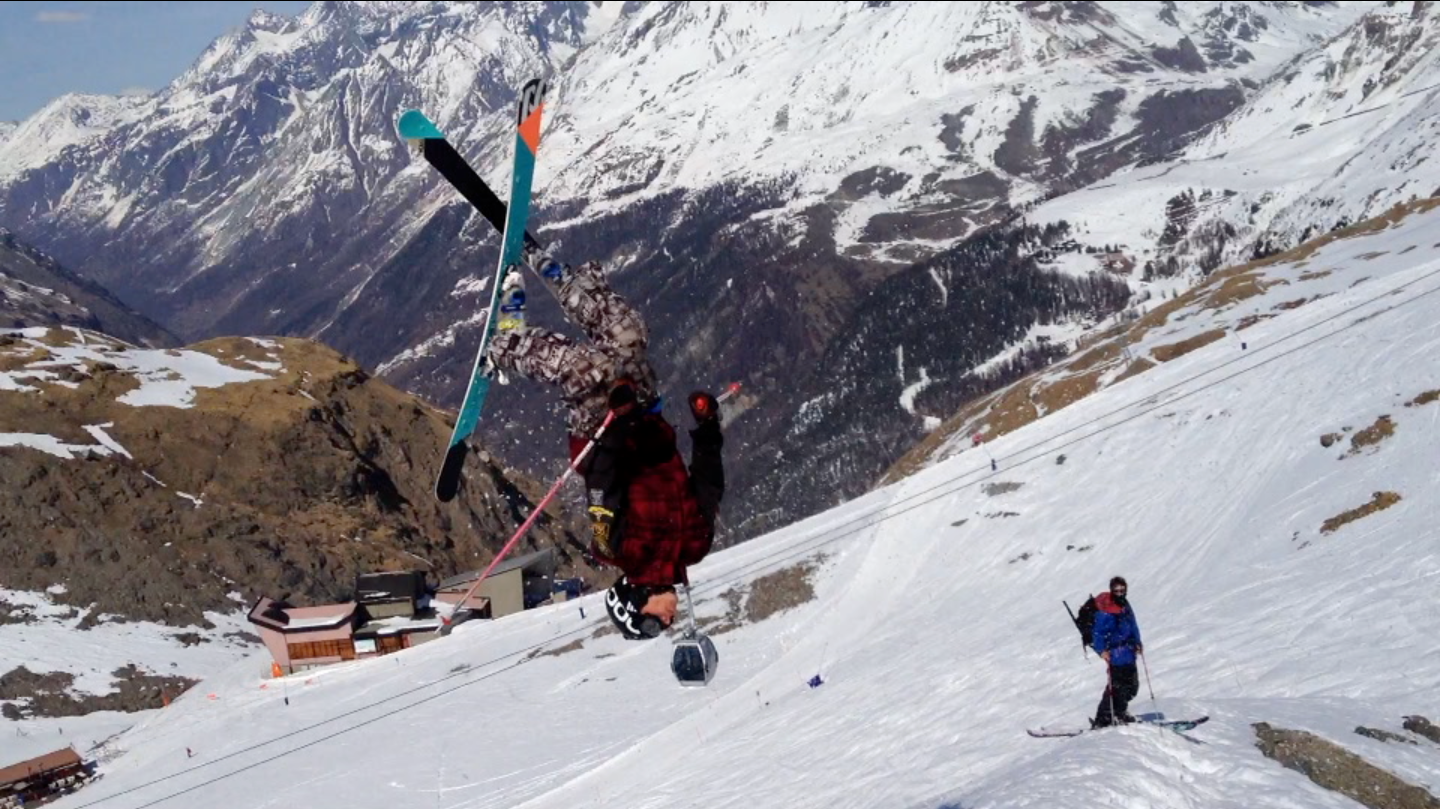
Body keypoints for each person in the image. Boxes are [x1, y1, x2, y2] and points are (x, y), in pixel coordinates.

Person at [484, 250, 725, 640]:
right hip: (647, 419)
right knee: (628, 336)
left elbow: (601, 481)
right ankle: (578, 288)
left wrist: (620, 425)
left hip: (602, 432)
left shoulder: (615, 549)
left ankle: (503, 347)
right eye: (661, 626)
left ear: (633, 602)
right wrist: (708, 425)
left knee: (585, 368)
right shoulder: (694, 546)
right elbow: (709, 485)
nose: (667, 620)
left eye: (649, 622)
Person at [1091, 575, 1142, 728]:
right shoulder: (1106, 610)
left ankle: (1120, 712)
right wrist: (1101, 651)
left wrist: (1138, 642)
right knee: (1116, 689)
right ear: (1112, 590)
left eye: (1122, 590)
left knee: (1132, 687)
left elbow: (1133, 624)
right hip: (1115, 655)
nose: (1120, 593)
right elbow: (1098, 632)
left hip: (1129, 652)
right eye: (1117, 590)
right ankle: (1105, 719)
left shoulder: (1126, 605)